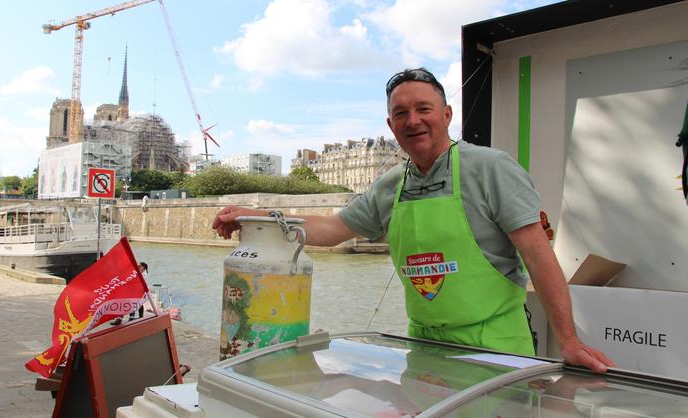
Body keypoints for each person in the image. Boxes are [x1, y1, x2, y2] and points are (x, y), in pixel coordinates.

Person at [213, 67, 613, 373]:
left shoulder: (492, 169)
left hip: (495, 347)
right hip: (424, 350)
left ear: (447, 114)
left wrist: (569, 340)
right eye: (400, 113)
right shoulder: (390, 186)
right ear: (390, 125)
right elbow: (332, 230)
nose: (413, 120)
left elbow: (539, 257)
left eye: (424, 109)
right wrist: (255, 217)